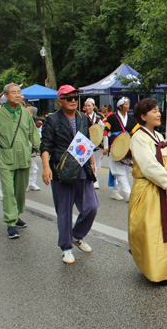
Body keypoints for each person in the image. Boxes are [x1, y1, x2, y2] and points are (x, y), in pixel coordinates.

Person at [129, 98, 167, 282]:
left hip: (161, 188)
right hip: (148, 191)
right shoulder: (138, 137)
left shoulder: (159, 137)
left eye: (158, 110)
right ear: (143, 116)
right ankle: (156, 271)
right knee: (151, 229)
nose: (158, 114)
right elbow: (148, 166)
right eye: (153, 111)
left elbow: (163, 164)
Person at [41, 85, 99, 263]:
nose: (73, 100)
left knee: (91, 207)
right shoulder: (52, 120)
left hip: (82, 169)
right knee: (64, 212)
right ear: (60, 101)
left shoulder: (83, 118)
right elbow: (45, 146)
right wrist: (46, 168)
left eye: (75, 97)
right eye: (68, 98)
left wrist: (92, 162)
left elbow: (87, 141)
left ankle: (77, 235)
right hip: (62, 170)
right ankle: (66, 247)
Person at [0, 83, 41, 239]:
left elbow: (34, 135)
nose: (17, 95)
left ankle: (16, 214)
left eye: (19, 92)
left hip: (23, 158)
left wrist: (44, 150)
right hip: (5, 158)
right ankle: (11, 222)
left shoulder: (26, 113)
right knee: (8, 191)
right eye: (14, 92)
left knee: (19, 192)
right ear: (5, 96)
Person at [103, 97, 139, 201]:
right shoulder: (112, 118)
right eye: (126, 104)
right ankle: (128, 194)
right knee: (120, 171)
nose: (128, 106)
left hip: (126, 147)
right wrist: (105, 147)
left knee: (124, 171)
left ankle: (115, 191)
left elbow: (135, 133)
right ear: (120, 106)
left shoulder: (130, 118)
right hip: (115, 147)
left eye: (128, 104)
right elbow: (106, 133)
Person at [84, 98, 104, 189]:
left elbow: (104, 128)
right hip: (88, 141)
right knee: (92, 162)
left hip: (97, 142)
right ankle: (94, 180)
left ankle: (94, 177)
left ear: (93, 106)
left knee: (98, 163)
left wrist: (99, 121)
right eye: (86, 106)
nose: (88, 107)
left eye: (89, 105)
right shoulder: (83, 116)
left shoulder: (99, 116)